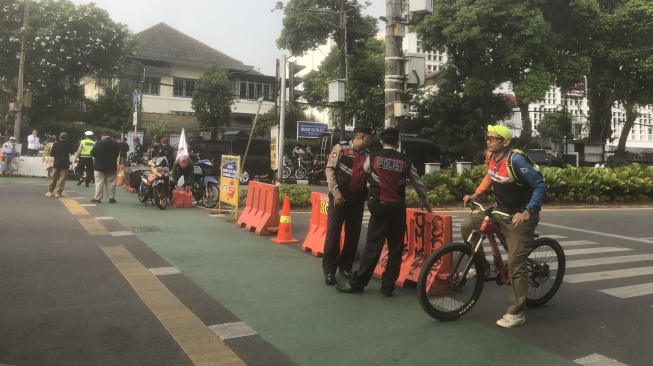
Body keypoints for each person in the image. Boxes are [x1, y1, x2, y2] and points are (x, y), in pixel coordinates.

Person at [460, 125, 546, 328]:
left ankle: (517, 312)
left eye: (493, 139)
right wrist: (476, 194)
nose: (488, 142)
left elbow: (540, 185)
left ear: (506, 142)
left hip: (520, 215)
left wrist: (528, 211)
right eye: (487, 138)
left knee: (515, 263)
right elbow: (490, 176)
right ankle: (482, 268)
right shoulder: (491, 157)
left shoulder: (516, 160)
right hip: (500, 210)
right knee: (467, 226)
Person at [335, 128, 432, 297]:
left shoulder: (373, 156)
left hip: (379, 207)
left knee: (373, 247)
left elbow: (364, 171)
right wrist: (426, 202)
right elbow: (418, 184)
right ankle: (388, 286)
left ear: (381, 142)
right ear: (398, 143)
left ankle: (358, 283)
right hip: (398, 209)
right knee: (396, 248)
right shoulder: (405, 160)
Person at [322, 125, 376, 286]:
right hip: (339, 197)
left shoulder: (368, 155)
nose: (371, 142)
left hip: (357, 199)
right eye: (369, 139)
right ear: (361, 137)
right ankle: (329, 271)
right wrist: (335, 191)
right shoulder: (341, 148)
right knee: (333, 235)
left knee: (353, 235)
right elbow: (330, 170)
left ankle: (345, 267)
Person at [90, 131, 120, 204]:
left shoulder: (99, 143)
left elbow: (92, 153)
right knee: (111, 183)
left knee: (99, 182)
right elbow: (117, 154)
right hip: (112, 166)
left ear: (102, 136)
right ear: (110, 136)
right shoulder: (115, 144)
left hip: (99, 166)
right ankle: (111, 198)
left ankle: (98, 198)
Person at [45, 132, 77, 198]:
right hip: (65, 164)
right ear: (67, 138)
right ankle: (58, 193)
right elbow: (73, 153)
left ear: (59, 137)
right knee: (62, 179)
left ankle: (50, 192)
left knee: (53, 177)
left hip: (56, 163)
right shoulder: (69, 145)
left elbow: (51, 154)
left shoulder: (55, 144)